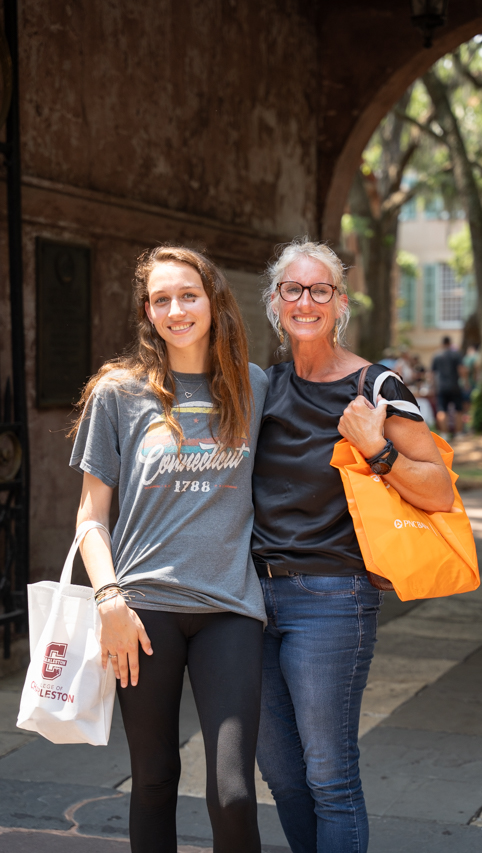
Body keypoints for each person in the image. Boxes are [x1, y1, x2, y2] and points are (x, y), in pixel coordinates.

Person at [251, 239, 454, 853]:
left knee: (328, 776)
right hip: (252, 600)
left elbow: (440, 489)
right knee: (282, 775)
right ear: (274, 302)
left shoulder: (377, 385)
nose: (305, 301)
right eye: (293, 289)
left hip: (334, 598)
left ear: (340, 302)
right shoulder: (265, 387)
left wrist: (377, 447)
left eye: (320, 290)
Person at [69, 246, 268, 853]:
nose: (176, 309)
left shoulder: (253, 386)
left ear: (214, 300)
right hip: (142, 612)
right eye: (161, 299)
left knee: (234, 791)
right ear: (147, 311)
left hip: (229, 608)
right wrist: (109, 602)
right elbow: (90, 515)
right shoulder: (119, 393)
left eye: (189, 295)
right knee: (154, 780)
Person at [431, 336, 465, 439]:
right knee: (458, 410)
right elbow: (461, 369)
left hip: (441, 387)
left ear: (442, 344)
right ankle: (458, 433)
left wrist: (433, 386)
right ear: (450, 343)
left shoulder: (436, 356)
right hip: (455, 385)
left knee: (442, 410)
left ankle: (445, 434)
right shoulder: (456, 355)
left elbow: (432, 374)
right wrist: (465, 381)